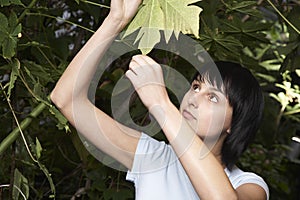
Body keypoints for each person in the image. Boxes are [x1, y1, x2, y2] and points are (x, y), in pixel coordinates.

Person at [50, 0, 269, 199]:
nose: (193, 99)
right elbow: (66, 100)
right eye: (196, 86)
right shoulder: (152, 157)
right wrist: (115, 21)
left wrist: (162, 105)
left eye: (213, 97)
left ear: (234, 123)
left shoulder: (248, 184)